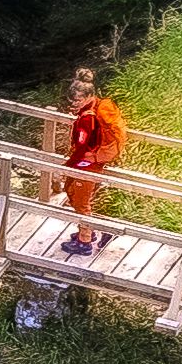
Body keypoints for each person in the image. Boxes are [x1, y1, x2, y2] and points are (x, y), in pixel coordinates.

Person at [57, 67, 126, 255]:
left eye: (77, 100)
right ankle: (93, 230)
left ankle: (85, 241)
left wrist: (67, 166)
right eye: (71, 100)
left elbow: (82, 147)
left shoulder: (87, 119)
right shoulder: (94, 109)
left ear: (89, 96)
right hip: (94, 161)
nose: (73, 104)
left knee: (80, 201)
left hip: (88, 164)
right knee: (75, 195)